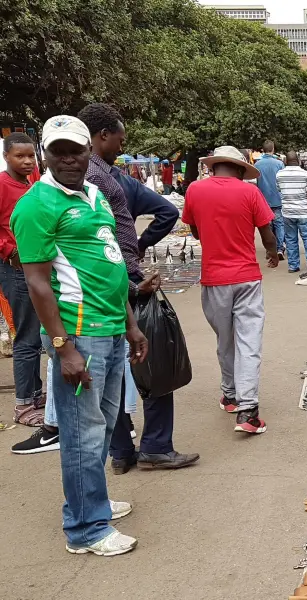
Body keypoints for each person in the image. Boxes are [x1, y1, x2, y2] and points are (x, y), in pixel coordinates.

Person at [12, 115, 148, 555]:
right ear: (43, 155)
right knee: (81, 432)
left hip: (110, 327)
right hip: (78, 333)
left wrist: (130, 323)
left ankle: (94, 501)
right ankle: (86, 529)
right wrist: (61, 347)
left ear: (89, 152)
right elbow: (36, 282)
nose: (69, 158)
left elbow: (109, 262)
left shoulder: (94, 194)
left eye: (77, 150)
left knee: (104, 425)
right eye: (59, 151)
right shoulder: (36, 205)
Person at [75, 102, 198, 472]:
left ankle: (121, 451)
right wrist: (132, 272)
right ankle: (155, 446)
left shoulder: (98, 176)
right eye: (119, 139)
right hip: (117, 279)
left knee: (115, 368)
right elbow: (99, 244)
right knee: (153, 358)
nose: (121, 146)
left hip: (111, 280)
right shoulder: (99, 179)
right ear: (102, 136)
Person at [182, 146, 277, 435]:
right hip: (246, 276)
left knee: (225, 339)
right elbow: (266, 232)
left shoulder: (195, 191)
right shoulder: (249, 193)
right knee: (248, 341)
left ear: (213, 167)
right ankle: (248, 411)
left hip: (214, 279)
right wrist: (273, 253)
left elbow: (195, 230)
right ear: (238, 169)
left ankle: (231, 395)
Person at [0, 133, 49, 431]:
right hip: (15, 268)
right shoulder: (2, 185)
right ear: (7, 156)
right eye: (20, 156)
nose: (28, 160)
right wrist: (10, 251)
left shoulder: (32, 183)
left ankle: (35, 392)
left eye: (31, 155)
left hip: (36, 265)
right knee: (27, 338)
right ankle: (23, 404)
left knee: (37, 332)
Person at [277, 151, 307, 275]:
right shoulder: (305, 174)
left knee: (290, 239)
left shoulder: (279, 174)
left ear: (286, 161)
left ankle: (293, 265)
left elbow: (279, 190)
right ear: (298, 160)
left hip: (287, 212)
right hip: (304, 212)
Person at [255, 140, 285, 260]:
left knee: (267, 225)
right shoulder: (279, 164)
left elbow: (255, 184)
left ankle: (269, 250)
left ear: (263, 150)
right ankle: (279, 248)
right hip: (277, 199)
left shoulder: (257, 165)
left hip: (263, 200)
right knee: (279, 224)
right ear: (273, 149)